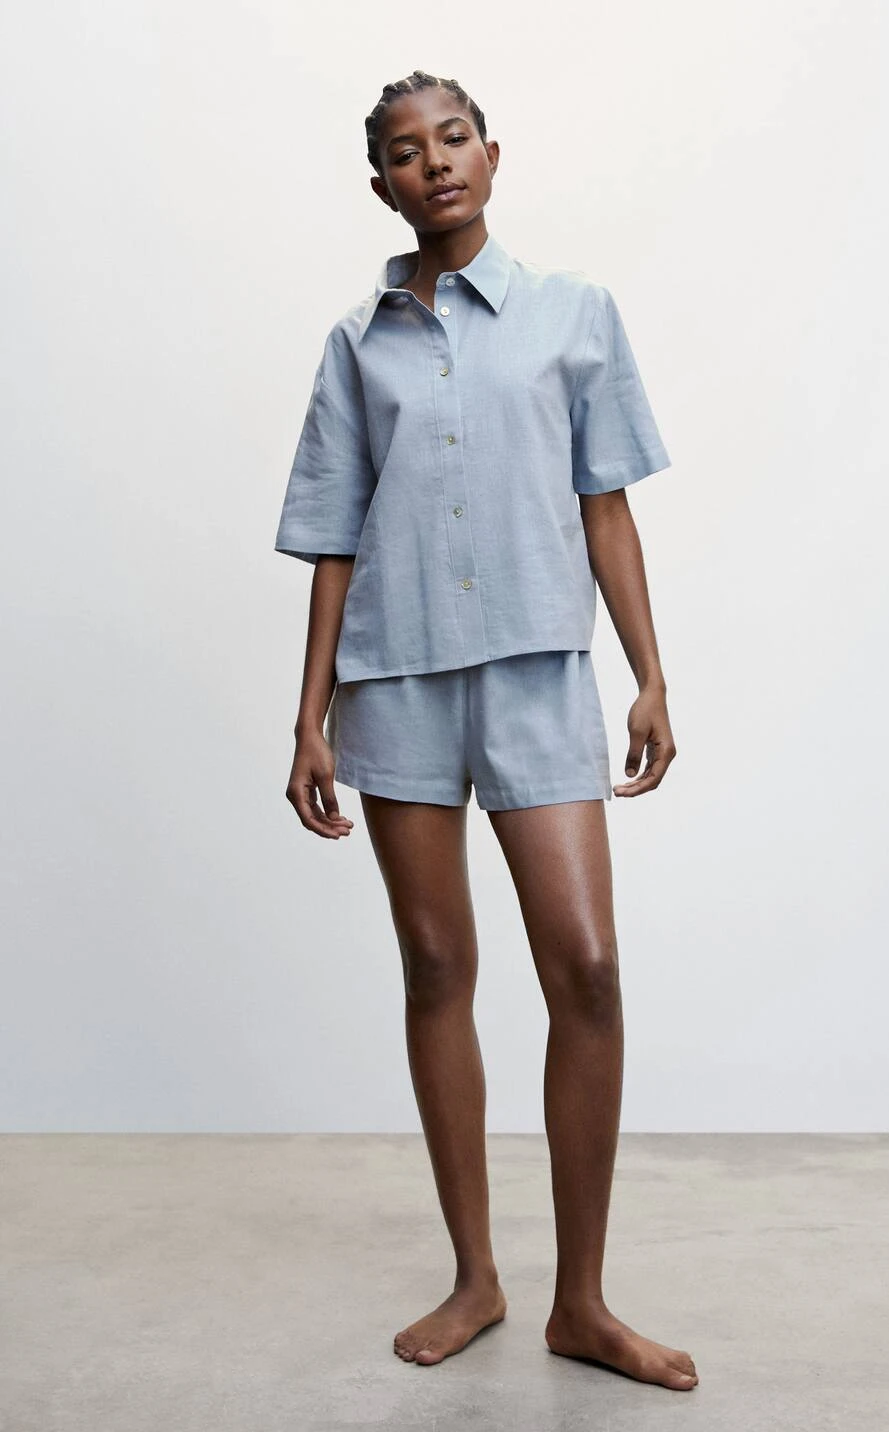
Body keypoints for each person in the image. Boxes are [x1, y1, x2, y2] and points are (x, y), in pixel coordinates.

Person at [274, 70, 698, 1393]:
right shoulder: (357, 345)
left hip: (535, 672)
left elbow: (607, 508)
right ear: (383, 185)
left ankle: (584, 1302)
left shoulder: (575, 314)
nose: (436, 161)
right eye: (408, 151)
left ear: (492, 155)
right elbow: (334, 538)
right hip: (395, 679)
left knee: (588, 969)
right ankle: (477, 1276)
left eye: (453, 137)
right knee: (435, 968)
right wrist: (309, 718)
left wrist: (650, 675)